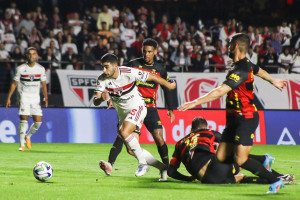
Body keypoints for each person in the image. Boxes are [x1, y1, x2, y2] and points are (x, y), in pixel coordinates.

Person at [178, 33, 287, 193]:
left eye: (230, 44)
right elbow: (259, 70)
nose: (227, 47)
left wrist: (194, 102)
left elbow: (220, 91)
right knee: (221, 157)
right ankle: (264, 160)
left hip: (246, 117)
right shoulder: (245, 64)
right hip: (233, 120)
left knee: (240, 159)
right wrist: (273, 80)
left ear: (236, 46)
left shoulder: (241, 68)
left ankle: (275, 181)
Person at [99, 38, 177, 180]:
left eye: (149, 51)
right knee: (124, 138)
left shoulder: (160, 69)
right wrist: (110, 96)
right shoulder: (134, 64)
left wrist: (171, 108)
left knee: (159, 138)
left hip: (150, 107)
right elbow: (118, 80)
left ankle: (165, 169)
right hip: (132, 105)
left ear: (155, 52)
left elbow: (166, 87)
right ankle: (110, 163)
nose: (146, 54)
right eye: (144, 51)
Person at [168, 117, 295, 185]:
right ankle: (270, 168)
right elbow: (232, 142)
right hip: (214, 168)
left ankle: (277, 178)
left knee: (240, 178)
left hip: (209, 180)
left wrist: (188, 179)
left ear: (191, 129)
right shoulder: (209, 132)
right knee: (240, 158)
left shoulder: (179, 144)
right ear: (206, 126)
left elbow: (171, 172)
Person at [6, 47, 48, 151]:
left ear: (37, 56)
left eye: (34, 53)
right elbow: (14, 83)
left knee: (38, 122)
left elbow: (43, 85)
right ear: (27, 55)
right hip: (24, 97)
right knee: (24, 119)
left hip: (35, 98)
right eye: (30, 54)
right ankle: (21, 145)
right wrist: (9, 98)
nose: (32, 55)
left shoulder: (41, 69)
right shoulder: (21, 68)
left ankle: (27, 136)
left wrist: (46, 97)